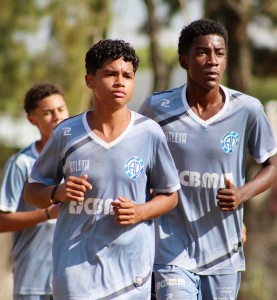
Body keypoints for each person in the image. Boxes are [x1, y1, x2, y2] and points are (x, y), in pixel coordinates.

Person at [23, 39, 180, 300]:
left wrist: (140, 211)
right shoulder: (67, 133)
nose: (120, 81)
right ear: (90, 81)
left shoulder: (149, 133)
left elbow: (170, 195)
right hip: (76, 274)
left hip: (131, 276)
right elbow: (32, 191)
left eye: (127, 76)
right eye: (110, 74)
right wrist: (57, 193)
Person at [139, 18, 277, 300]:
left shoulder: (248, 109)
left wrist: (242, 194)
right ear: (184, 60)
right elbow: (136, 162)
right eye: (203, 52)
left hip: (223, 250)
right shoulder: (158, 107)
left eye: (219, 53)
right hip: (171, 249)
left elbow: (273, 166)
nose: (212, 61)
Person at [0, 82, 69, 300]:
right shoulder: (21, 163)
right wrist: (47, 213)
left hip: (72, 281)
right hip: (33, 283)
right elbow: (1, 221)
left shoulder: (79, 158)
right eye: (47, 112)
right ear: (32, 119)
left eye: (61, 109)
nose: (57, 117)